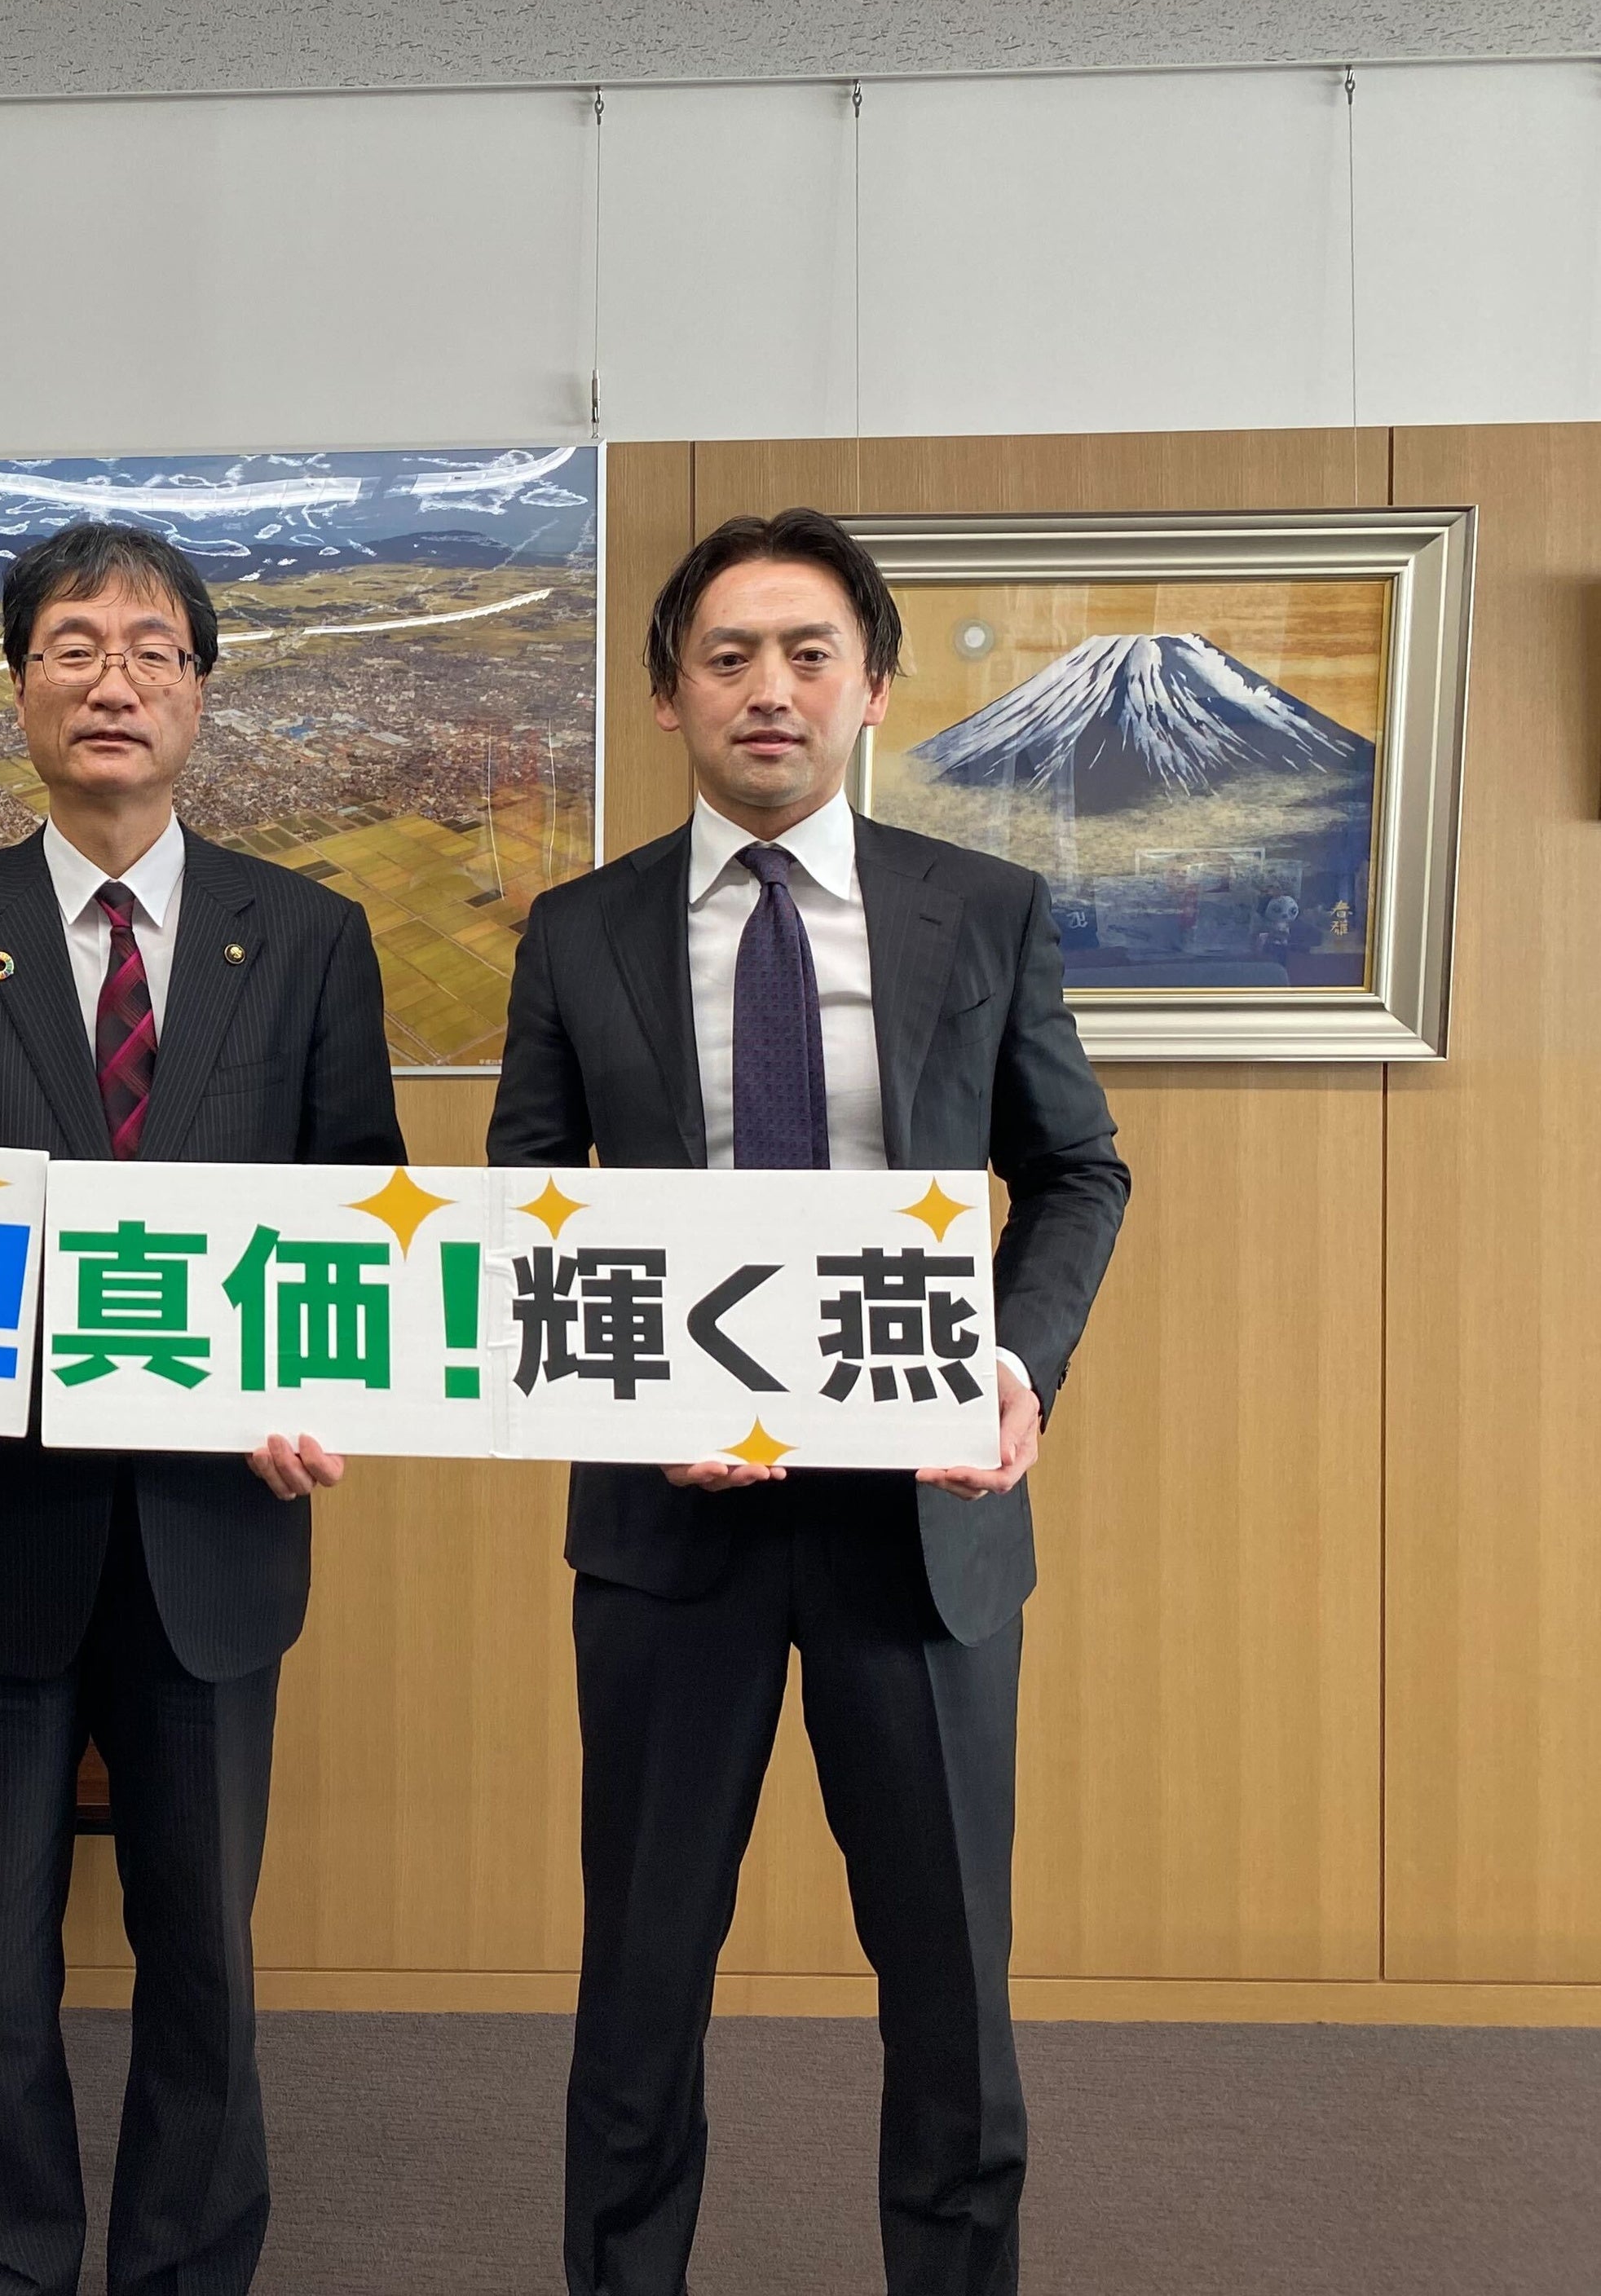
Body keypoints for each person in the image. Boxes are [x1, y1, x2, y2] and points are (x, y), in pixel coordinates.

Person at [489, 509, 1131, 2296]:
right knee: (639, 1988)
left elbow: (1077, 1169)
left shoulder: (979, 911)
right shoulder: (580, 930)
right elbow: (525, 1207)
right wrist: (635, 1391)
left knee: (951, 1994)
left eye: (808, 653)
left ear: (873, 687)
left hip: (918, 1532)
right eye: (728, 656)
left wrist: (1014, 1362)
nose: (768, 687)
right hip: (668, 1522)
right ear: (670, 693)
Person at [0, 519, 404, 2296]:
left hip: (214, 1531)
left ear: (200, 692)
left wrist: (320, 1382)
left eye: (152, 649)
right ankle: (9, 2271)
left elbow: (365, 1208)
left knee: (206, 1962)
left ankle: (187, 2270)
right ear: (19, 688)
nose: (113, 680)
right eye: (73, 646)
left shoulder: (304, 935)